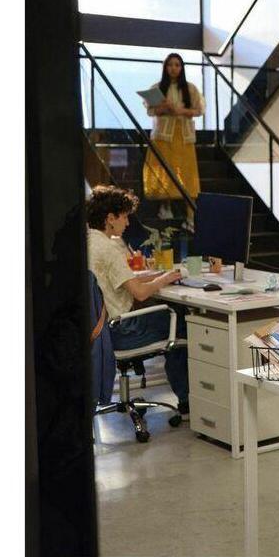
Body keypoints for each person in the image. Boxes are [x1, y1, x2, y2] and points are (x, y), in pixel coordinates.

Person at [85, 184, 190, 413]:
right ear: (110, 218)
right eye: (124, 217)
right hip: (121, 332)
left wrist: (157, 275)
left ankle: (187, 399)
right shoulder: (109, 248)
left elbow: (124, 280)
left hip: (102, 332)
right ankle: (187, 402)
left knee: (171, 317)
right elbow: (140, 293)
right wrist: (165, 279)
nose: (127, 223)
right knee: (183, 321)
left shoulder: (88, 243)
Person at [143, 52, 204, 219]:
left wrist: (181, 111)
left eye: (177, 65)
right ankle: (165, 206)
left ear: (182, 68)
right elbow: (151, 111)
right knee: (164, 171)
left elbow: (199, 110)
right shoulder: (156, 87)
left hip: (184, 135)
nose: (173, 68)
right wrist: (164, 108)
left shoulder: (190, 88)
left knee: (187, 173)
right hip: (162, 135)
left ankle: (191, 214)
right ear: (165, 67)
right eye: (170, 65)